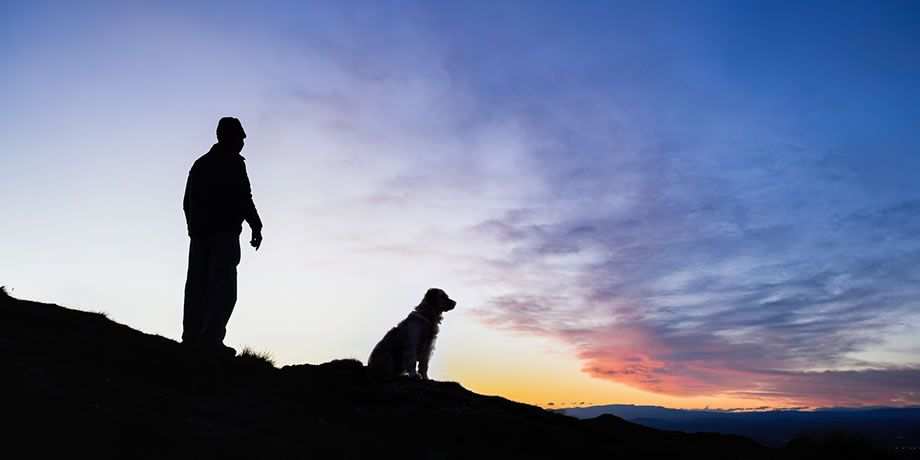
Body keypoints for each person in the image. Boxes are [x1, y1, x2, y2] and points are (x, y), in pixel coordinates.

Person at [181, 117, 262, 357]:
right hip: (221, 235)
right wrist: (256, 226)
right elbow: (243, 198)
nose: (244, 140)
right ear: (227, 136)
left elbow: (187, 202)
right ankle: (209, 340)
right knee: (222, 288)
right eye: (240, 135)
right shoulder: (232, 163)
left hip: (202, 235)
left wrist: (194, 230)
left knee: (199, 286)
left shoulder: (201, 164)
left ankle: (194, 338)